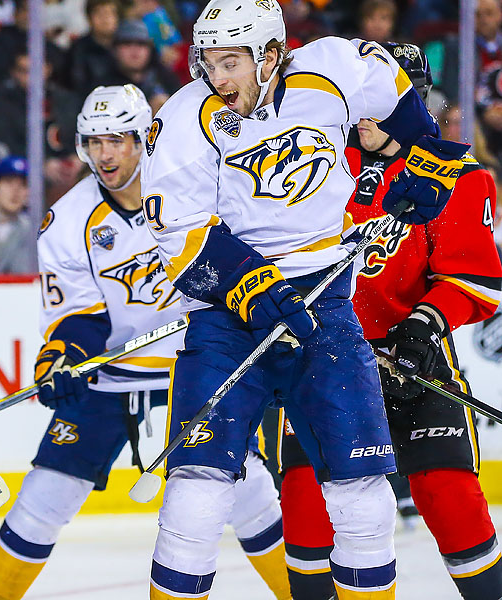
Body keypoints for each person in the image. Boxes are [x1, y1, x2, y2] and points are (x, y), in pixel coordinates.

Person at [140, 0, 471, 598]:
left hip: (324, 307)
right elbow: (177, 232)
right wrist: (251, 286)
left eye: (231, 61)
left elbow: (400, 98)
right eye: (209, 61)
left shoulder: (334, 66)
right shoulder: (187, 115)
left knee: (362, 489)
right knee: (196, 489)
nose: (218, 77)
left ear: (270, 55)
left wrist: (427, 161)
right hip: (226, 318)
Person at [0, 84, 293, 600]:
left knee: (250, 494)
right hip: (114, 375)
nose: (106, 154)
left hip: (198, 367)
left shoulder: (194, 186)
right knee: (44, 495)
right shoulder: (68, 220)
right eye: (95, 141)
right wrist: (61, 358)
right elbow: (79, 315)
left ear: (143, 138)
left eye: (118, 140)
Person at [277, 43, 502, 600]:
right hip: (323, 355)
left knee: (451, 497)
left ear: (415, 101)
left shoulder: (455, 175)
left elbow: (476, 280)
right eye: (362, 99)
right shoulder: (311, 162)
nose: (370, 115)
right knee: (306, 506)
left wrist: (426, 323)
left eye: (387, 100)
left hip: (413, 358)